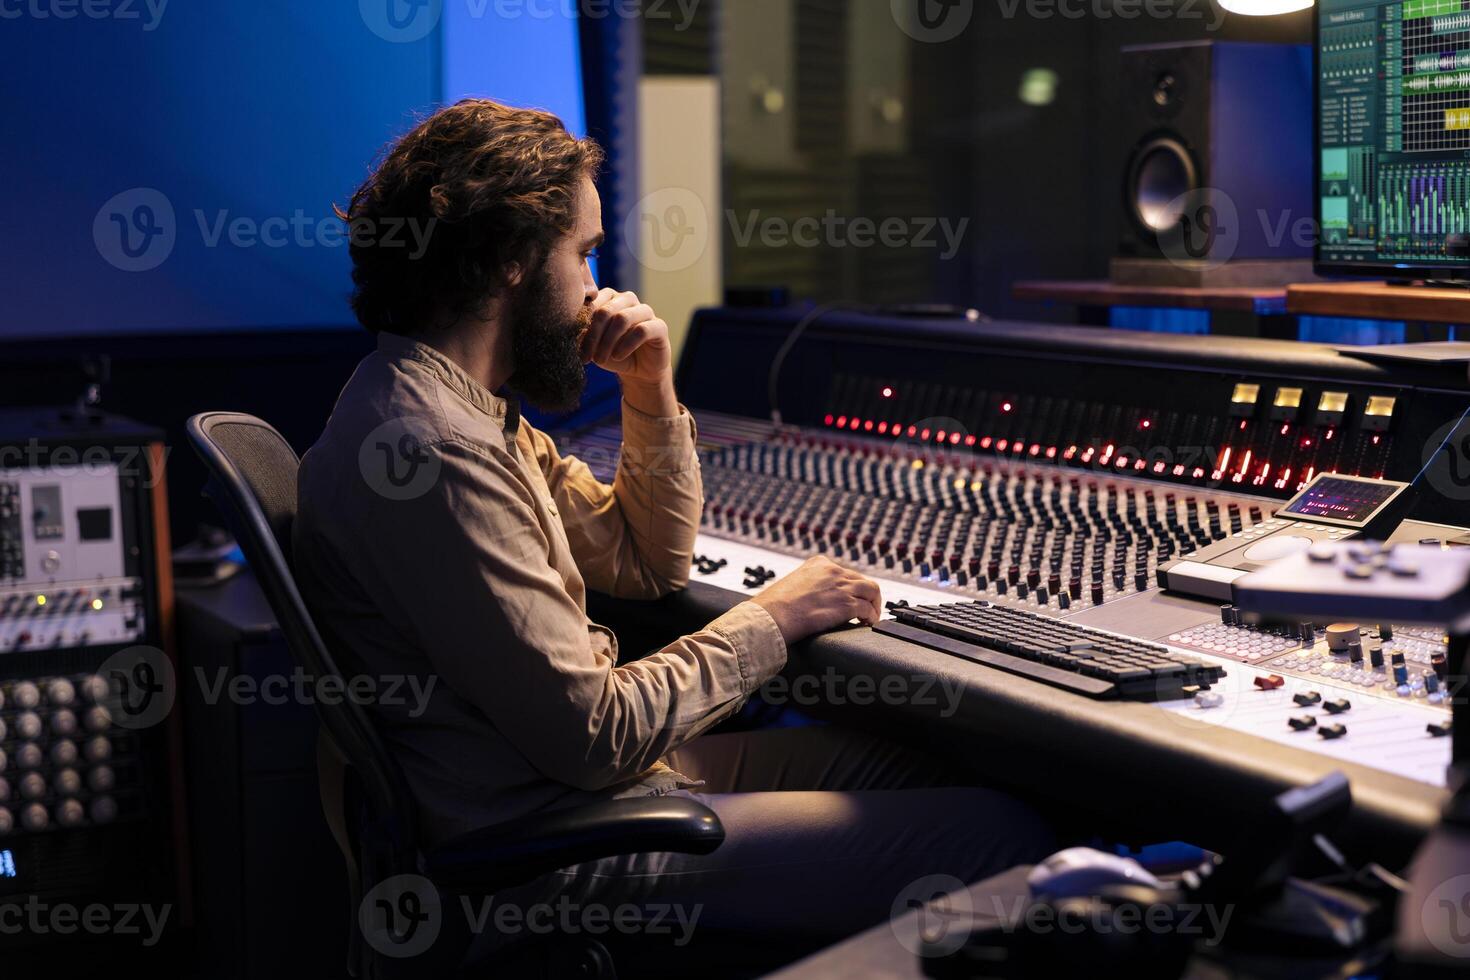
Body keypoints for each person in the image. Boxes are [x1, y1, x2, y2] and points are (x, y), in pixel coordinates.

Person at [294, 98, 1050, 964]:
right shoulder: (437, 452)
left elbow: (648, 560)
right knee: (998, 830)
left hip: (575, 788)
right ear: (508, 262)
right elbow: (597, 734)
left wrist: (648, 389)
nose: (593, 283)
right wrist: (774, 619)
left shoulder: (455, 406)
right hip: (561, 839)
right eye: (580, 252)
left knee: (921, 772)